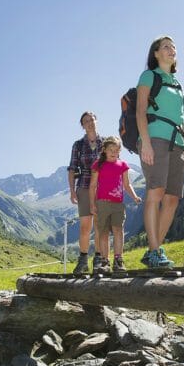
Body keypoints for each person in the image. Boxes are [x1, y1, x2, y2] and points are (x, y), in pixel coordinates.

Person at [136, 35, 184, 268]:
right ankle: (155, 250)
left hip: (177, 142)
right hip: (155, 138)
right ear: (156, 53)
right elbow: (140, 111)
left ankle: (154, 249)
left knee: (172, 198)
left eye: (174, 47)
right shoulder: (149, 76)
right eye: (166, 47)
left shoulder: (177, 84)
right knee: (155, 192)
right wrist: (146, 143)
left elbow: (181, 119)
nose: (172, 49)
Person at [89, 135, 141, 272]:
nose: (114, 152)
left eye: (116, 150)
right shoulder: (98, 165)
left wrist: (135, 196)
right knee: (103, 233)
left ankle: (118, 261)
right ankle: (105, 262)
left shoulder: (122, 165)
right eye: (111, 149)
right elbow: (93, 186)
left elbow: (127, 184)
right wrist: (92, 204)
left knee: (118, 230)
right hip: (102, 204)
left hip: (118, 205)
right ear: (104, 150)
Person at [67, 111, 102, 274]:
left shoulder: (106, 143)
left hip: (103, 188)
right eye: (86, 121)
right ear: (82, 126)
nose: (90, 123)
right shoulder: (78, 145)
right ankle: (82, 261)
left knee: (100, 225)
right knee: (85, 226)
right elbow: (72, 168)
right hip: (84, 186)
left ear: (96, 121)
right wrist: (72, 191)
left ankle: (99, 260)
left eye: (92, 119)